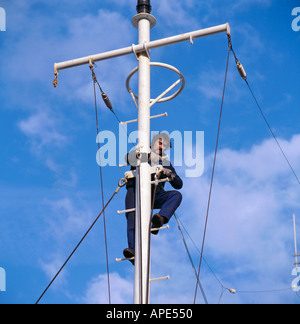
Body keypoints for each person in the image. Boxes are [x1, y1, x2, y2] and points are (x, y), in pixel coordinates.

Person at [123, 133, 183, 264]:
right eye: (160, 143)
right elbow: (128, 158)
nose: (162, 147)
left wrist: (170, 174)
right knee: (132, 216)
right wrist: (146, 157)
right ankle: (133, 251)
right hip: (135, 190)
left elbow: (179, 184)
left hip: (155, 194)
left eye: (165, 146)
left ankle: (160, 219)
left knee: (176, 196)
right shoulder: (142, 152)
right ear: (154, 142)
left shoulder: (165, 162)